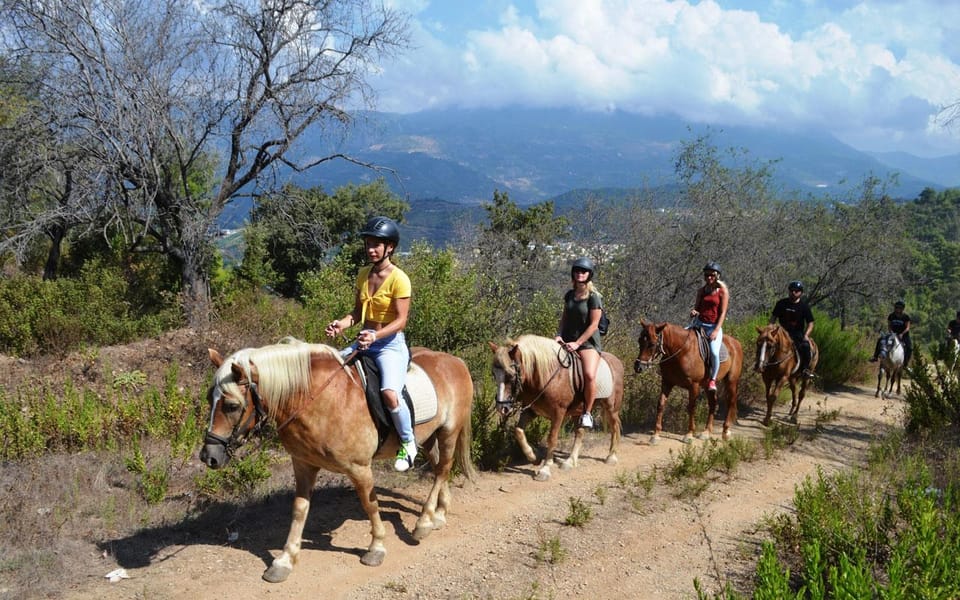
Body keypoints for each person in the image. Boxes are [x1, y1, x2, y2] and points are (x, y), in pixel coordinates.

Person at [325, 216, 417, 472]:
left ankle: (408, 442)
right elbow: (356, 313)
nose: (370, 249)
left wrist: (376, 336)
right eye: (368, 244)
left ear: (390, 248)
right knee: (331, 373)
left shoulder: (400, 279)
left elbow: (401, 321)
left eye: (376, 244)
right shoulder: (363, 274)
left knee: (390, 393)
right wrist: (342, 324)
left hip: (389, 345)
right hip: (365, 341)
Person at [555, 257, 603, 429]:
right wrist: (559, 335)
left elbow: (594, 325)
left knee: (589, 375)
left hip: (587, 343)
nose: (580, 274)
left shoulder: (594, 297)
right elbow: (564, 318)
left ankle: (587, 413)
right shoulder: (569, 295)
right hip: (566, 341)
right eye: (577, 271)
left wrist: (577, 343)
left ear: (589, 274)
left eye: (583, 271)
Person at [689, 262, 729, 392]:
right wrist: (694, 311)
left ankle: (712, 379)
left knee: (714, 352)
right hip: (699, 324)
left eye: (712, 275)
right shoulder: (701, 291)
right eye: (706, 275)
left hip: (713, 326)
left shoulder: (722, 292)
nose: (709, 277)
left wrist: (717, 330)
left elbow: (723, 312)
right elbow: (697, 307)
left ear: (717, 276)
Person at [769, 280, 815, 376]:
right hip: (781, 332)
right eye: (791, 290)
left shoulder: (804, 307)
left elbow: (810, 323)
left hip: (797, 333)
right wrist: (770, 328)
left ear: (801, 293)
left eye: (796, 291)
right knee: (766, 343)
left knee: (806, 346)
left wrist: (806, 335)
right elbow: (773, 318)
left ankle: (805, 369)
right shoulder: (781, 303)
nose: (793, 293)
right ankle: (762, 364)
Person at [870, 300, 912, 367]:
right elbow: (889, 326)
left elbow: (907, 327)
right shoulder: (891, 316)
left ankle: (905, 364)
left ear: (902, 309)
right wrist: (891, 332)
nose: (898, 309)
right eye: (897, 307)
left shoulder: (906, 317)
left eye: (899, 308)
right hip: (893, 334)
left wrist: (902, 334)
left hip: (903, 335)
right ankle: (875, 357)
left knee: (909, 348)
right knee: (880, 340)